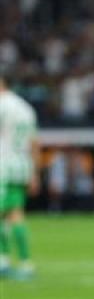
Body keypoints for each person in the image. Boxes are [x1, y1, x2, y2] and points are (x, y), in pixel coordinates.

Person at [0, 77, 40, 280]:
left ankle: (19, 262)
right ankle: (9, 260)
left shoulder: (2, 106)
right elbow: (34, 142)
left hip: (3, 166)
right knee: (13, 213)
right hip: (21, 166)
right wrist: (34, 172)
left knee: (11, 215)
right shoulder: (26, 108)